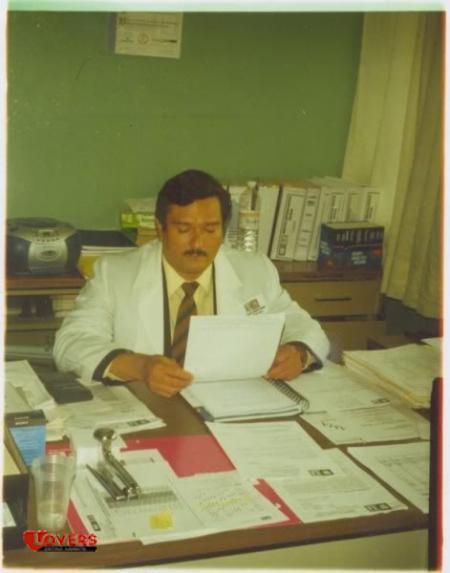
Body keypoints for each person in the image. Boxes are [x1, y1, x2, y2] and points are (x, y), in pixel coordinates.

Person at [54, 169, 329, 397]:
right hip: (151, 409)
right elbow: (71, 343)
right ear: (160, 229)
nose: (198, 242)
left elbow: (305, 327)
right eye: (184, 229)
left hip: (233, 411)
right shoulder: (115, 274)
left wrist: (299, 352)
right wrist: (140, 367)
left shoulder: (255, 271)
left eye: (210, 229)